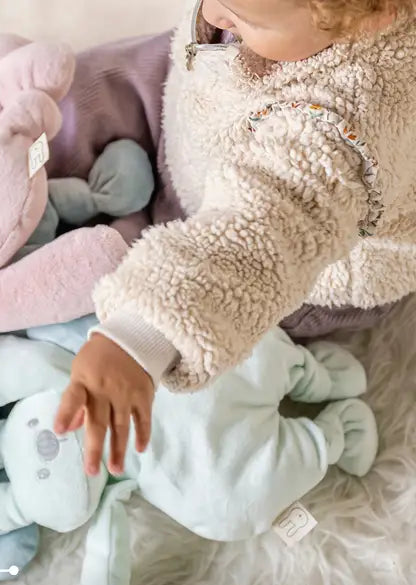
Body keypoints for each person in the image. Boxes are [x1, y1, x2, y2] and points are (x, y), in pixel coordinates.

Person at [50, 0, 416, 476]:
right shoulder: (298, 18)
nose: (215, 15)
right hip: (212, 114)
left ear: (374, 14)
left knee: (226, 327)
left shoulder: (340, 127)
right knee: (87, 89)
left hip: (292, 255)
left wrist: (138, 338)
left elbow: (257, 239)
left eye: (245, 18)